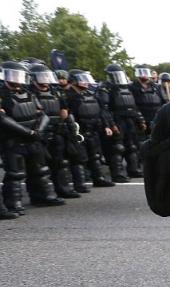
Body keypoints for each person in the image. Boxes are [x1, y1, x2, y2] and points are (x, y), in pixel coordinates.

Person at [1, 61, 66, 214]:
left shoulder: (29, 93)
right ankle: (13, 203)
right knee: (15, 173)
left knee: (40, 169)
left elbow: (42, 113)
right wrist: (27, 132)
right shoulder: (2, 94)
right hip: (13, 139)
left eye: (19, 75)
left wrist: (38, 130)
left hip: (33, 138)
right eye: (13, 75)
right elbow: (3, 118)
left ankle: (44, 196)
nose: (17, 79)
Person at [28, 63, 81, 199]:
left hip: (56, 131)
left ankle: (62, 189)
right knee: (38, 166)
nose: (45, 79)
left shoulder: (55, 91)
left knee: (59, 162)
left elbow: (64, 110)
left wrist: (66, 126)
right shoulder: (30, 93)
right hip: (38, 133)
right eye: (42, 77)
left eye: (46, 76)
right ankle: (39, 195)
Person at [65, 69, 116, 189]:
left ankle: (99, 178)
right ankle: (80, 184)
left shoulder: (91, 94)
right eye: (82, 80)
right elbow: (67, 114)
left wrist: (106, 126)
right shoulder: (68, 96)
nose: (85, 82)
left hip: (93, 130)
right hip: (79, 131)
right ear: (74, 80)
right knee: (79, 158)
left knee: (95, 156)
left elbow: (101, 111)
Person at [99, 63, 146, 179]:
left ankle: (133, 169)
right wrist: (111, 124)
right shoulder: (106, 88)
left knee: (132, 146)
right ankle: (118, 173)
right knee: (118, 147)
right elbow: (104, 109)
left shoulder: (127, 88)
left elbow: (134, 106)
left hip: (130, 120)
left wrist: (140, 120)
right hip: (117, 119)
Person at [129, 65, 164, 131]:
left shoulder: (156, 86)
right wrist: (140, 119)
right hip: (140, 120)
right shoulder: (132, 87)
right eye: (141, 72)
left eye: (145, 72)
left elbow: (162, 101)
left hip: (155, 119)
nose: (144, 75)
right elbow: (132, 104)